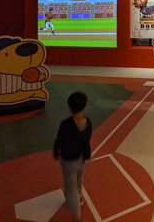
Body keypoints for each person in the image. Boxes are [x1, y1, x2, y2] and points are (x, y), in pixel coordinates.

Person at [54, 92, 93, 222]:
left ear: (68, 107)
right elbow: (86, 140)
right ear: (85, 106)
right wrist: (87, 154)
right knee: (79, 179)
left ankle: (77, 218)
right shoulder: (88, 122)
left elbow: (59, 140)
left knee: (71, 189)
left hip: (69, 160)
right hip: (82, 157)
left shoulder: (65, 124)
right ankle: (79, 198)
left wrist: (56, 152)